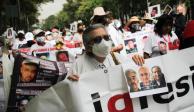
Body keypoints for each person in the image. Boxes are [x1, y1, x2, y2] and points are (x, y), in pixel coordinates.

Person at [68, 24, 144, 81]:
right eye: (97, 39)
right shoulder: (77, 66)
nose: (104, 42)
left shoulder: (117, 58)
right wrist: (69, 84)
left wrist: (136, 62)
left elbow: (135, 73)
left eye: (106, 38)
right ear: (87, 45)